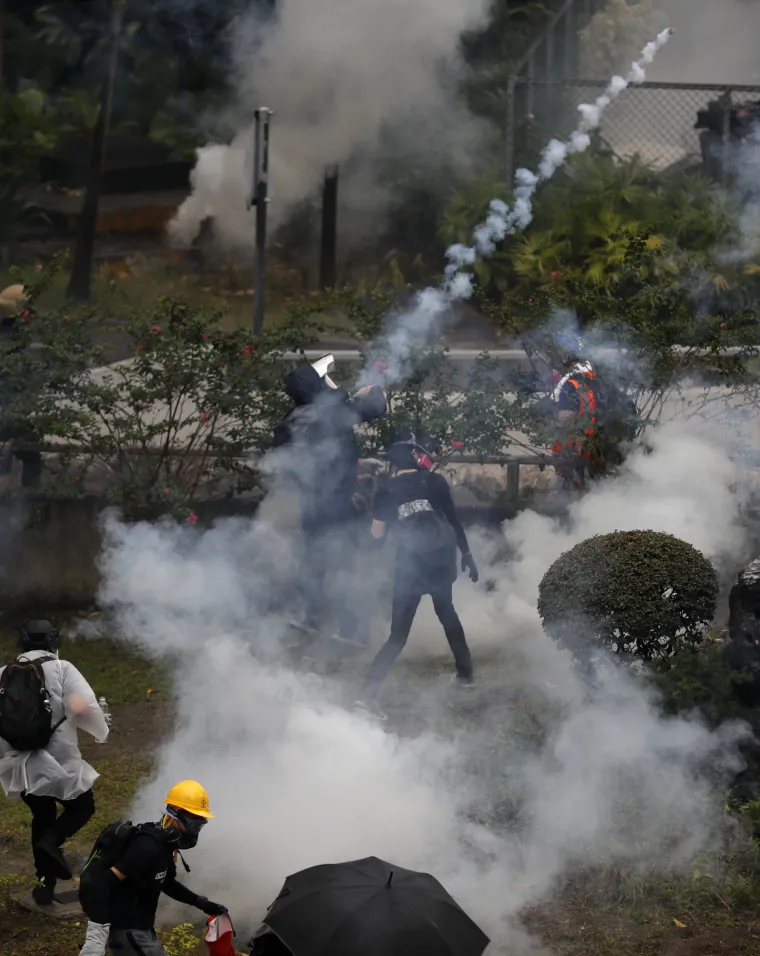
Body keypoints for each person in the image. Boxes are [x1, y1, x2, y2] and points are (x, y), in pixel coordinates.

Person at [357, 432, 479, 714]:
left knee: (398, 636)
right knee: (447, 613)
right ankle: (466, 675)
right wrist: (467, 554)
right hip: (440, 561)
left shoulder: (387, 490)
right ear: (416, 455)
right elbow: (453, 521)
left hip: (410, 567)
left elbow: (376, 537)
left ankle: (366, 695)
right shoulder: (436, 481)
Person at [273, 357, 386, 647]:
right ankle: (351, 630)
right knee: (342, 564)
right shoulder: (331, 412)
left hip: (311, 502)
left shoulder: (293, 417)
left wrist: (354, 464)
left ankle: (309, 619)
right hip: (337, 503)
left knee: (314, 561)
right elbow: (375, 408)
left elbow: (312, 460)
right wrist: (373, 391)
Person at [0, 620, 109, 906]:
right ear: (52, 641)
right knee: (82, 807)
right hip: (59, 758)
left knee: (42, 815)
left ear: (23, 641)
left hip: (21, 762)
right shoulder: (62, 668)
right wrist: (100, 729)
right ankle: (52, 841)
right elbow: (81, 706)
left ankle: (44, 887)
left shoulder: (3, 673)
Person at [78, 780, 227, 956]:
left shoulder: (165, 845)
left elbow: (166, 882)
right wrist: (95, 940)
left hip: (144, 931)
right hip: (129, 933)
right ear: (174, 814)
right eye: (193, 826)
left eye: (199, 826)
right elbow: (102, 884)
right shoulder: (146, 848)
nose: (194, 833)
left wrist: (201, 903)